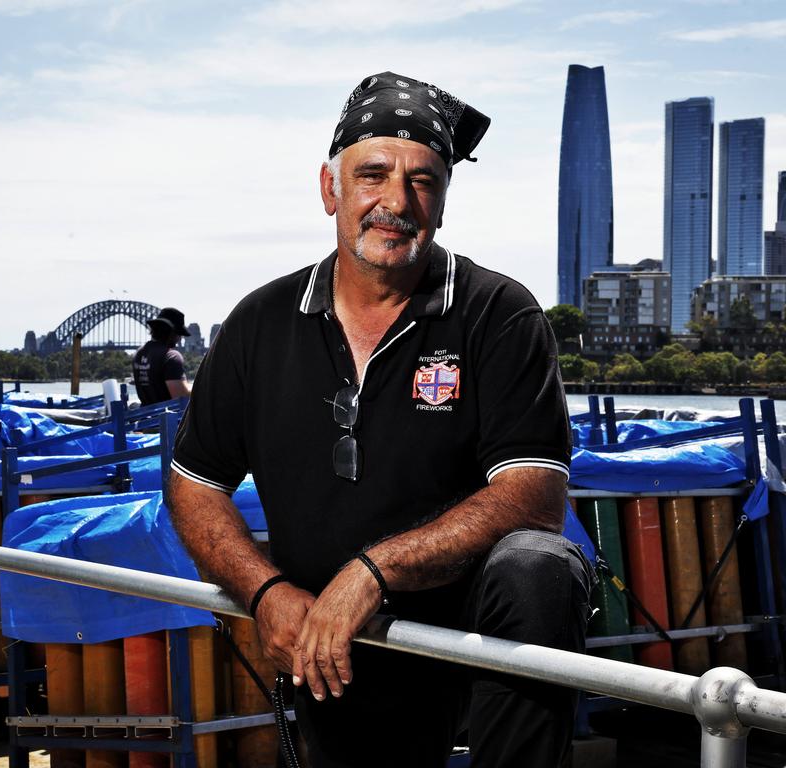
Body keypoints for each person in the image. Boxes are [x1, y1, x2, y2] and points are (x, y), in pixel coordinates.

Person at [168, 71, 593, 767]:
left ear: (445, 202)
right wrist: (265, 590)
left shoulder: (499, 312)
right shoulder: (259, 323)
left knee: (540, 567)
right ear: (330, 188)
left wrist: (374, 571)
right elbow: (195, 482)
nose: (396, 202)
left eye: (423, 180)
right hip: (334, 646)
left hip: (471, 636)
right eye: (372, 175)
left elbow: (534, 498)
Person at [132, 307, 192, 405]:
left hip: (146, 416)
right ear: (172, 332)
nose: (180, 338)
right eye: (179, 333)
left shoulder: (139, 354)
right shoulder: (171, 357)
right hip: (168, 417)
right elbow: (181, 397)